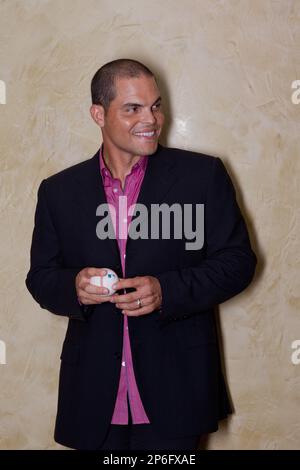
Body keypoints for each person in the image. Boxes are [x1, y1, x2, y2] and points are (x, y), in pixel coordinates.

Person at [25, 59, 257, 450]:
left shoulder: (203, 175)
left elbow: (237, 263)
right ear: (98, 114)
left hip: (178, 391)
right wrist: (74, 286)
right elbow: (40, 277)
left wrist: (167, 290)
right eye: (132, 108)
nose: (151, 118)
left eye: (156, 105)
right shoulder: (58, 191)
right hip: (92, 396)